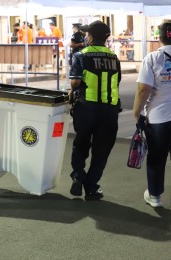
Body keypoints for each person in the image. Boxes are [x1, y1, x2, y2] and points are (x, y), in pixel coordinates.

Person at [68, 20, 121, 200]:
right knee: (102, 150)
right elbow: (116, 81)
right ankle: (91, 187)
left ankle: (77, 175)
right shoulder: (114, 57)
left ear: (90, 36)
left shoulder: (81, 55)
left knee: (81, 144)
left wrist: (71, 93)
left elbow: (75, 82)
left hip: (86, 108)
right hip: (109, 110)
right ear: (106, 38)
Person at [132, 22, 171, 208]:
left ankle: (155, 196)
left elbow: (142, 90)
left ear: (159, 37)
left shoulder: (153, 58)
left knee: (156, 157)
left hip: (159, 118)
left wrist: (136, 113)